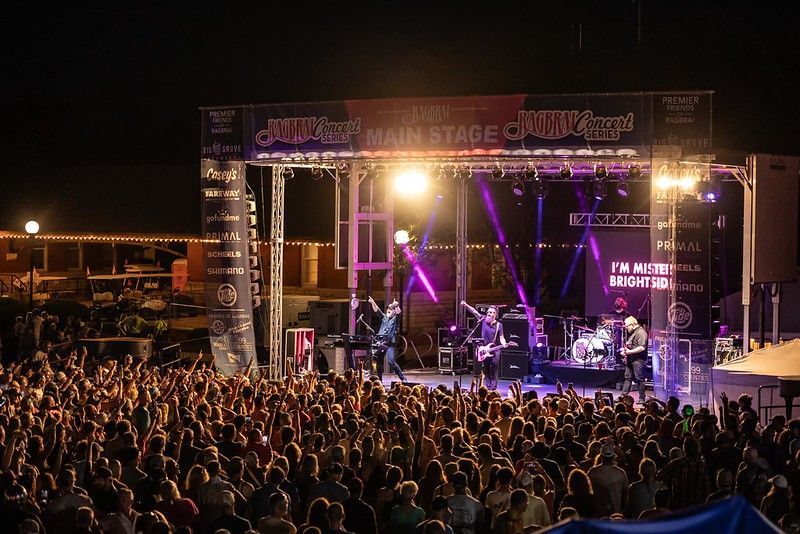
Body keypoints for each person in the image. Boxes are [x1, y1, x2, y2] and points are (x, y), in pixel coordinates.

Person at [460, 301, 508, 390]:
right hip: (484, 349)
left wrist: (504, 343)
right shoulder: (482, 319)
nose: (489, 314)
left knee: (494, 367)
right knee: (486, 368)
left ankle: (493, 388)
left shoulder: (499, 325)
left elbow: (501, 337)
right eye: (488, 312)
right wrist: (466, 305)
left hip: (495, 349)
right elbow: (474, 311)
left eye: (491, 312)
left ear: (495, 315)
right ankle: (488, 388)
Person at [367, 297, 407, 383]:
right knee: (379, 361)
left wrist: (396, 305)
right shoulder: (384, 318)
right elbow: (377, 310)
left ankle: (403, 378)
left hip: (389, 344)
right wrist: (373, 302)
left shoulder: (395, 319)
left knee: (391, 361)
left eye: (390, 309)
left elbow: (399, 312)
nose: (388, 310)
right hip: (381, 342)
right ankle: (379, 381)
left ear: (394, 312)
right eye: (388, 309)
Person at [621, 316, 648, 404]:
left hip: (638, 360)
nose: (626, 328)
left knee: (639, 379)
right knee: (628, 377)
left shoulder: (641, 333)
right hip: (631, 359)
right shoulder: (633, 333)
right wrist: (625, 351)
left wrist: (629, 352)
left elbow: (641, 347)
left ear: (632, 325)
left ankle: (642, 398)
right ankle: (623, 396)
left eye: (627, 326)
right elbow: (631, 345)